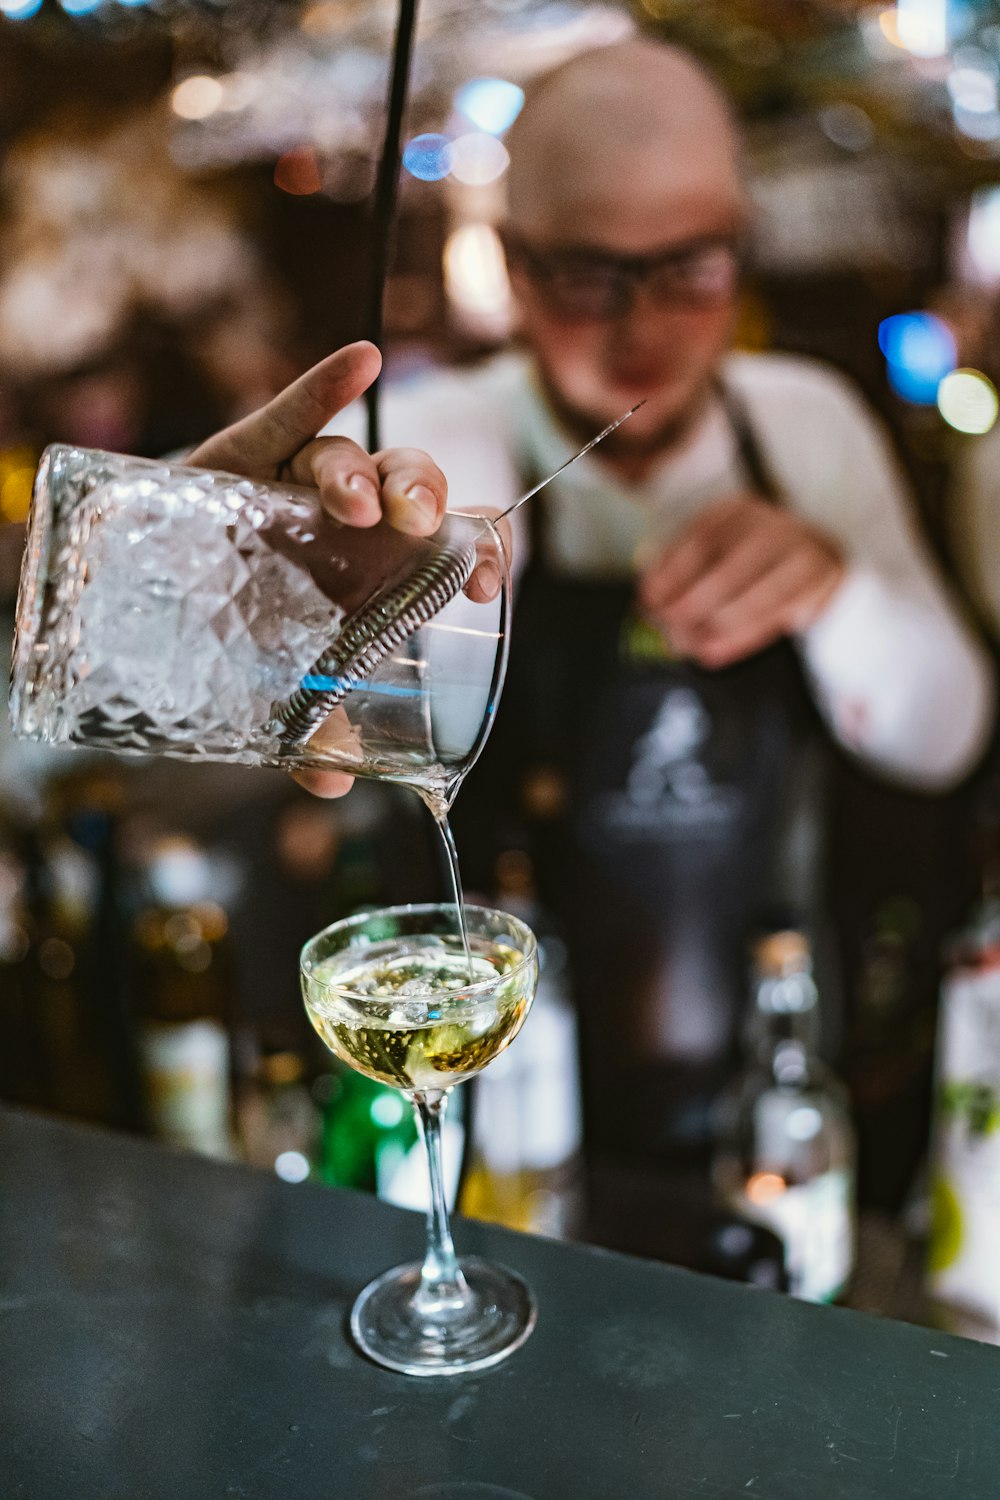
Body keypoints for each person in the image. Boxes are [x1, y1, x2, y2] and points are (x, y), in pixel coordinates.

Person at [201, 44, 996, 1204]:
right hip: (492, 1109)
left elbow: (946, 740)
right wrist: (313, 566)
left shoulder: (805, 428)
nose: (646, 326)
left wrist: (834, 587)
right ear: (515, 268)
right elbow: (334, 666)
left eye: (692, 268)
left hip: (764, 1088)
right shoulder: (442, 427)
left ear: (739, 243)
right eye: (590, 274)